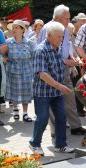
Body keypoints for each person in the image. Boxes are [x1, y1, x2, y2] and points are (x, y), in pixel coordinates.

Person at [38, 4, 86, 136]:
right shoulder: (48, 29)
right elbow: (45, 52)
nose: (69, 21)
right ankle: (55, 131)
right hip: (51, 70)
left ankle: (75, 126)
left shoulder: (64, 29)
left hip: (64, 68)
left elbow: (64, 48)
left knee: (69, 97)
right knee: (53, 98)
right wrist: (66, 61)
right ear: (58, 18)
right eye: (67, 18)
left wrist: (71, 58)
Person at [30, 22, 75, 155]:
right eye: (58, 37)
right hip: (42, 92)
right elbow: (42, 74)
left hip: (56, 91)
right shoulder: (40, 50)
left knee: (61, 117)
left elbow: (59, 65)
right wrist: (60, 86)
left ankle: (60, 145)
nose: (61, 40)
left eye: (62, 37)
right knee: (42, 118)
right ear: (49, 35)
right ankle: (34, 144)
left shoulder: (58, 48)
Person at [4, 20, 35, 122]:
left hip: (26, 71)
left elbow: (34, 56)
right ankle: (16, 110)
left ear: (22, 30)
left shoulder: (30, 43)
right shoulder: (8, 42)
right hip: (13, 70)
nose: (14, 29)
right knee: (14, 91)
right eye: (13, 27)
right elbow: (4, 55)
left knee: (26, 91)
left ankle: (25, 113)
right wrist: (5, 58)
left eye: (17, 27)